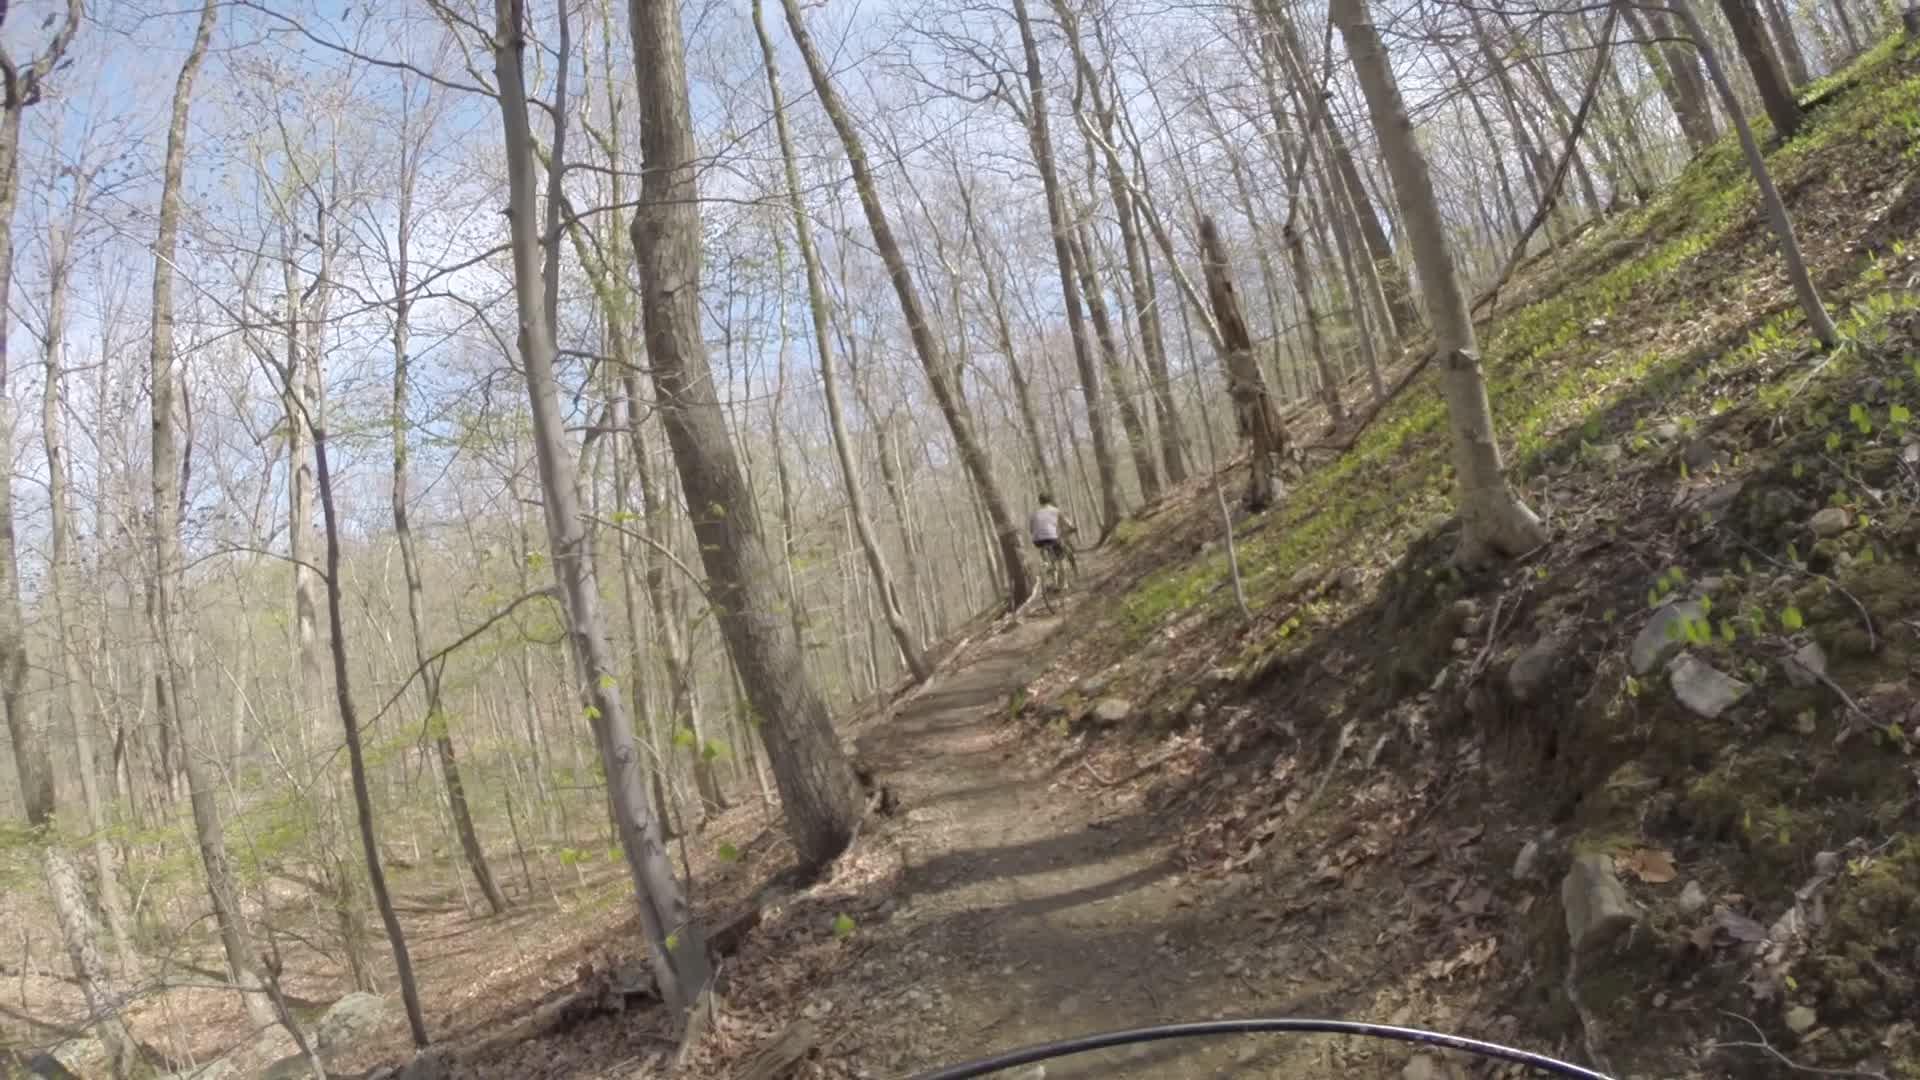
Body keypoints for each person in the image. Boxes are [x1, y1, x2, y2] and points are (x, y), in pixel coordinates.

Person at [1029, 493, 1077, 567]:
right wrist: (1072, 527)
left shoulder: (1034, 514)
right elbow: (1066, 521)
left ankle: (1047, 564)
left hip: (1037, 541)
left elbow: (1031, 530)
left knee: (1045, 548)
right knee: (1066, 550)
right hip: (1051, 538)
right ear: (1050, 500)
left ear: (1040, 502)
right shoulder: (1055, 510)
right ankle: (1074, 569)